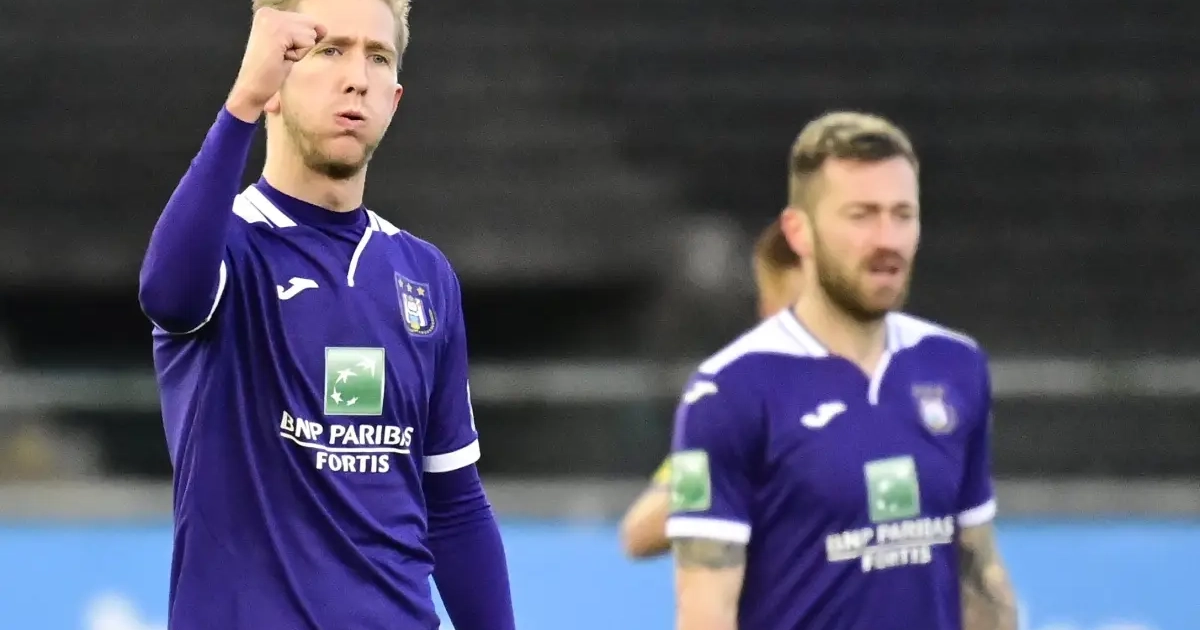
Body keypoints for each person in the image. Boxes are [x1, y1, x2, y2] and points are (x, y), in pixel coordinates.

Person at [136, 2, 516, 629]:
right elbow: (168, 295)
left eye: (378, 58)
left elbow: (452, 503)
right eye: (329, 50)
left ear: (394, 99)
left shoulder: (424, 274)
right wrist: (242, 103)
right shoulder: (227, 246)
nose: (357, 78)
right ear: (274, 79)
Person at [666, 111, 1017, 630]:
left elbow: (978, 571)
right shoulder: (731, 390)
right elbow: (705, 613)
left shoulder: (954, 364)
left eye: (903, 215)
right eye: (862, 215)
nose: (887, 239)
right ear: (799, 232)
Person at [619, 219, 802, 559]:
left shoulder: (897, 387)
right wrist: (746, 477)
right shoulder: (739, 411)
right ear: (767, 310)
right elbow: (639, 530)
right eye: (796, 309)